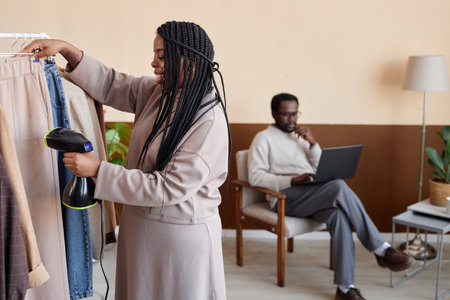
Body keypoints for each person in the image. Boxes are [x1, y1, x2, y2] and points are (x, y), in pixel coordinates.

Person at [23, 21, 229, 300]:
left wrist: (98, 169)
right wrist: (67, 50)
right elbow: (110, 84)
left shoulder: (207, 121)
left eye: (161, 55)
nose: (153, 63)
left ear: (190, 60)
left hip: (179, 243)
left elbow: (167, 188)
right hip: (140, 227)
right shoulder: (161, 93)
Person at [247, 93, 413, 300]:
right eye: (286, 115)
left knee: (338, 215)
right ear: (274, 114)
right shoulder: (263, 139)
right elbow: (255, 177)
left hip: (310, 194)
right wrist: (291, 180)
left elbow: (319, 168)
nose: (292, 119)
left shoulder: (300, 136)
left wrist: (314, 144)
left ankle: (344, 288)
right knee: (337, 186)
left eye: (295, 114)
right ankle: (380, 248)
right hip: (284, 198)